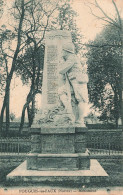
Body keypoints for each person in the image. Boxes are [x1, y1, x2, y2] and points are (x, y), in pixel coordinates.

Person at [58, 43, 88, 126]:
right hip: (73, 82)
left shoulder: (72, 58)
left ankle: (80, 120)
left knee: (81, 99)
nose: (61, 52)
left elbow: (62, 70)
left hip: (79, 81)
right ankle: (68, 110)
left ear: (66, 51)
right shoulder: (71, 58)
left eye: (63, 50)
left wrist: (61, 59)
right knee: (61, 91)